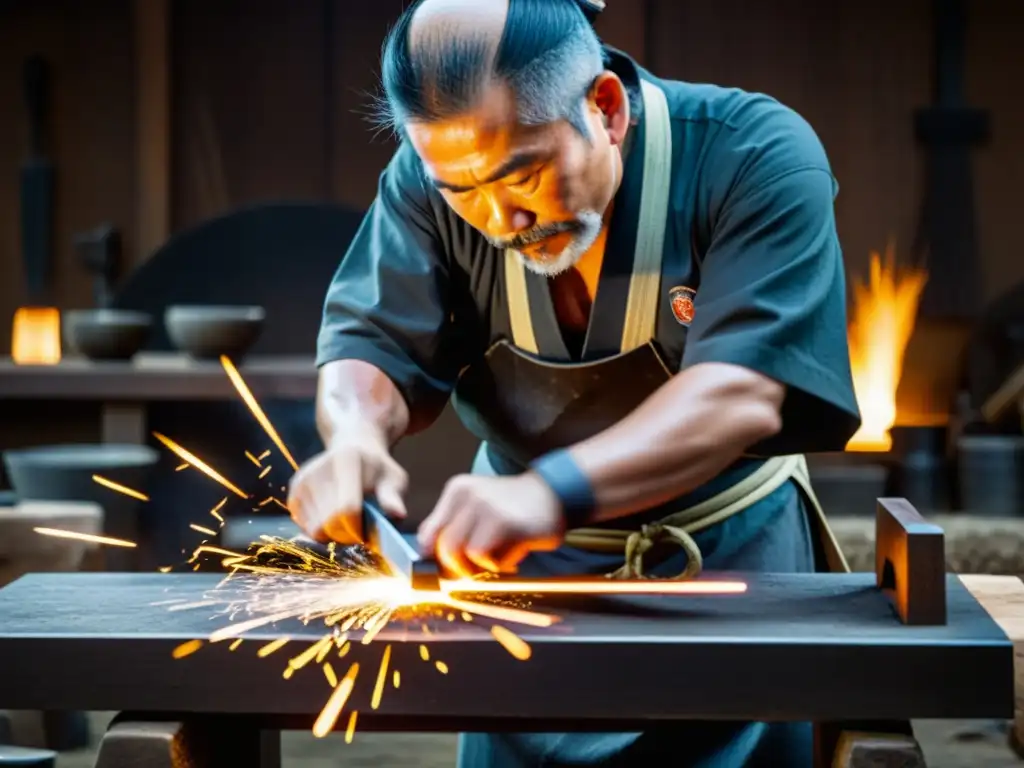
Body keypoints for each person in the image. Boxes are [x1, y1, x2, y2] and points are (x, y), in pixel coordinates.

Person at [287, 0, 862, 764]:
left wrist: (548, 494)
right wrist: (354, 436)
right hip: (515, 581)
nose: (498, 217)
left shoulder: (754, 153)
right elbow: (370, 338)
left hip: (726, 563)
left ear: (606, 108)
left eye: (521, 172)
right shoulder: (430, 183)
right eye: (461, 190)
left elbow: (742, 389)